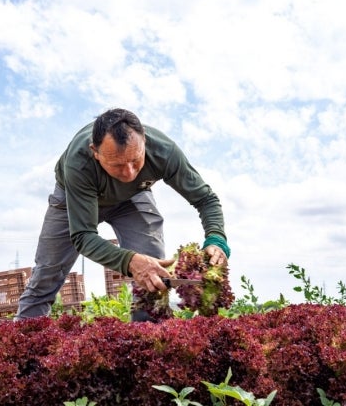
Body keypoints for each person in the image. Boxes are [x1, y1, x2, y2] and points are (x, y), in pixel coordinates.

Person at [15, 108, 230, 320]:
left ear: (144, 141)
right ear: (95, 152)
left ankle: (149, 340)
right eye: (117, 165)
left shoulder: (164, 151)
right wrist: (129, 261)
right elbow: (83, 236)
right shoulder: (79, 162)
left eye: (136, 160)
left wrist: (216, 238)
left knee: (152, 270)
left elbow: (205, 199)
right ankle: (24, 337)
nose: (128, 172)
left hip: (132, 198)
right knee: (46, 275)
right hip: (73, 199)